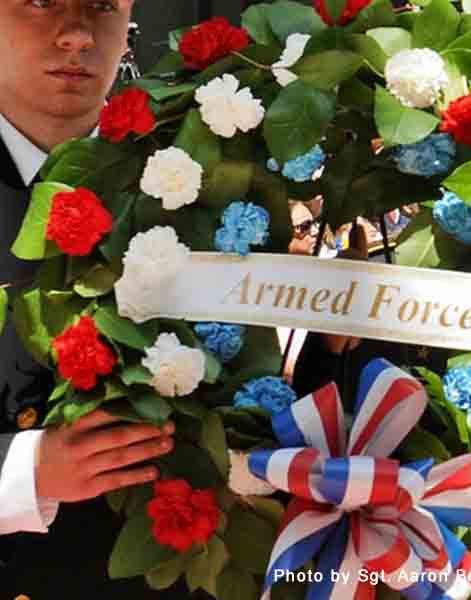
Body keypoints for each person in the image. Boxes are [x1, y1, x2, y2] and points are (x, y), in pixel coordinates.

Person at [0, 2, 193, 598]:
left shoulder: (191, 175)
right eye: (40, 2)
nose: (78, 35)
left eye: (102, 6)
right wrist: (23, 472)